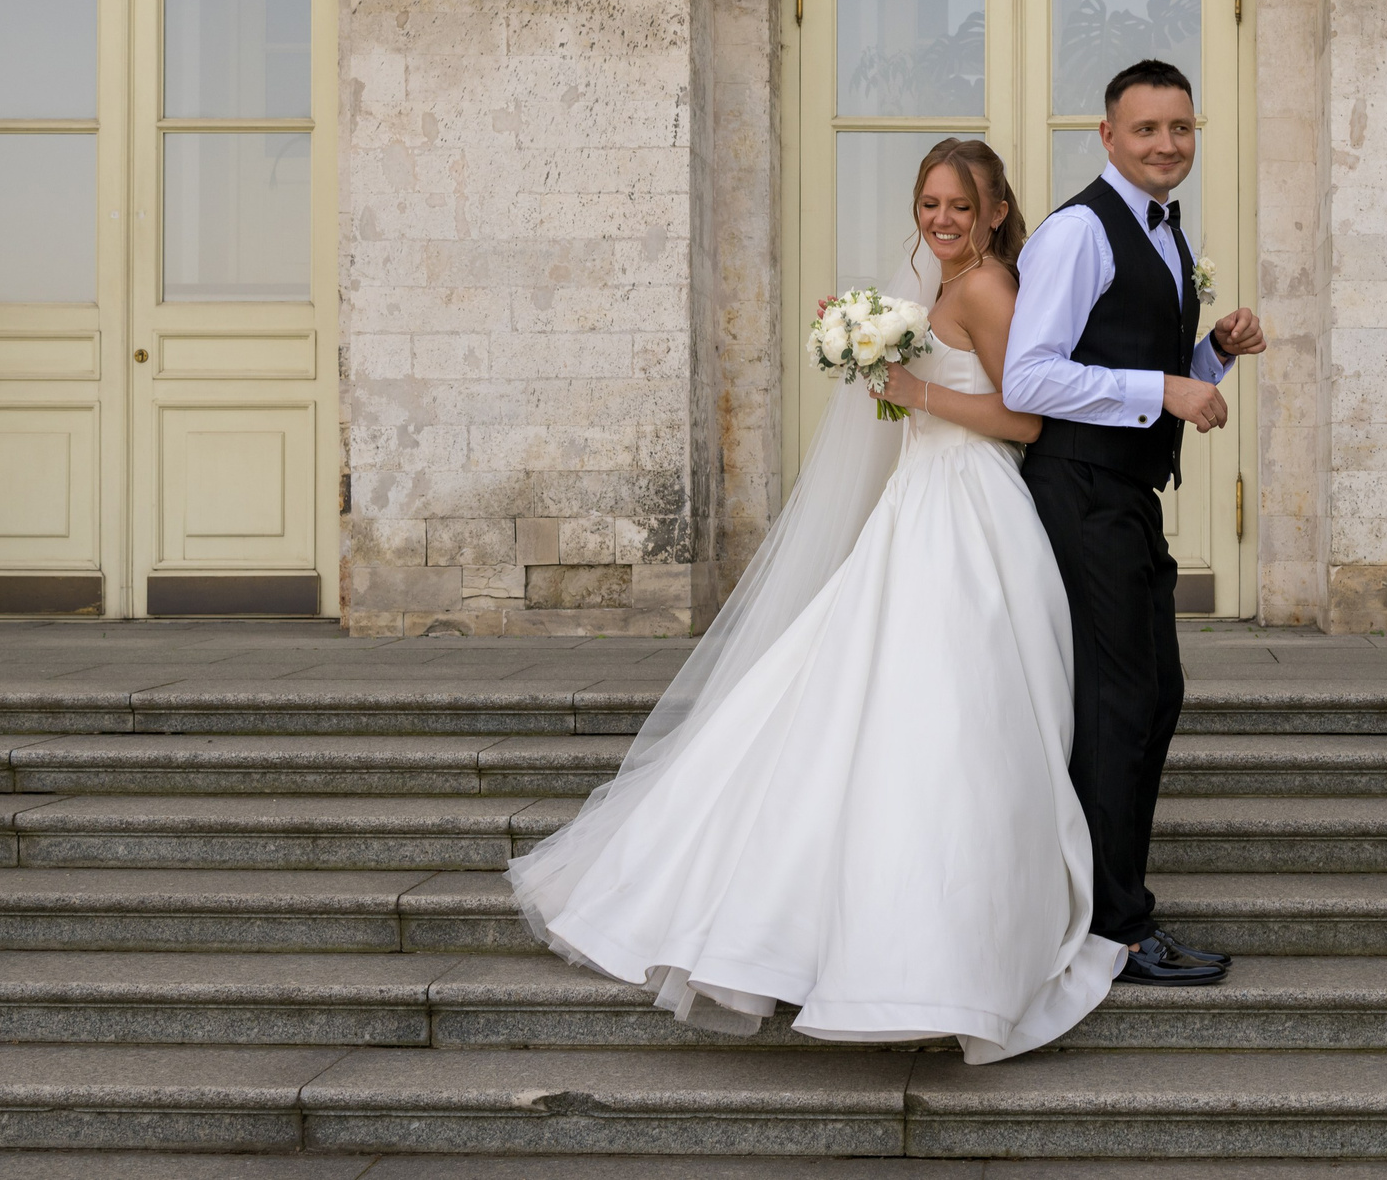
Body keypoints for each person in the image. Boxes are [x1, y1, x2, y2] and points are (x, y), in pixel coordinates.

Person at [505, 139, 1125, 1063]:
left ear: (996, 211)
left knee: (951, 712)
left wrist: (912, 387)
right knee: (879, 701)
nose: (942, 220)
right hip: (923, 501)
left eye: (961, 204)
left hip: (972, 511)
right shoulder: (954, 285)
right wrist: (892, 384)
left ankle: (938, 938)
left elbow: (1025, 416)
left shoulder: (991, 286)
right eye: (929, 203)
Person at [1005, 59, 1268, 987]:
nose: (1167, 144)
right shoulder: (1079, 230)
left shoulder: (1163, 229)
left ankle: (1103, 904)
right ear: (1108, 136)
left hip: (1123, 496)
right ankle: (1112, 927)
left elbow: (1125, 361)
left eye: (1181, 129)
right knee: (1120, 705)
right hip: (1078, 492)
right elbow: (1027, 376)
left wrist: (1210, 354)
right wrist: (1166, 384)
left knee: (1153, 698)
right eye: (1147, 129)